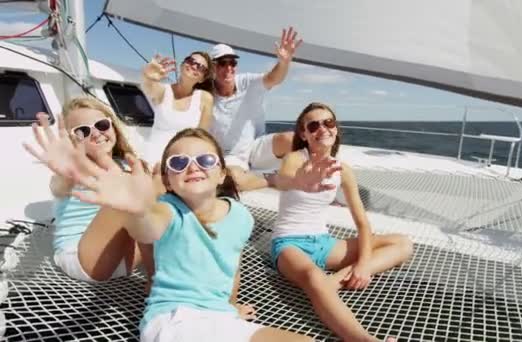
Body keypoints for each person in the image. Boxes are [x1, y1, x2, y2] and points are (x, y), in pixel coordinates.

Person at [61, 126, 347, 341]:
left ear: (222, 173)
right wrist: (134, 207)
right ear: (169, 182)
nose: (193, 166)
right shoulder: (167, 210)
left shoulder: (240, 217)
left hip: (219, 317)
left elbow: (231, 266)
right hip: (175, 321)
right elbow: (146, 227)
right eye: (178, 163)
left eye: (205, 160)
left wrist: (230, 306)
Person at [271, 103, 415, 341]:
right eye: (314, 125)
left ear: (335, 129)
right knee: (312, 276)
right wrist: (301, 180)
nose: (323, 129)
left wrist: (364, 265)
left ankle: (332, 283)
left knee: (403, 244)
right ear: (304, 134)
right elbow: (284, 180)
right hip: (289, 244)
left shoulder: (343, 170)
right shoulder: (295, 159)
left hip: (324, 244)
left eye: (328, 123)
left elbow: (362, 223)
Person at [22, 97, 153, 283]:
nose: (96, 133)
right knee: (127, 196)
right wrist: (67, 168)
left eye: (101, 125)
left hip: (125, 259)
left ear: (113, 126)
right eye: (82, 131)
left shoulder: (128, 165)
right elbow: (59, 185)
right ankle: (157, 279)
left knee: (166, 192)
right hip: (81, 259)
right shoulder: (73, 172)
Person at [209, 27, 302, 191]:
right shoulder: (206, 95)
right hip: (231, 156)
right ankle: (272, 179)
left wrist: (284, 62)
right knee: (232, 181)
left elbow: (274, 78)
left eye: (232, 62)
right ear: (212, 68)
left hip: (255, 147)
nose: (229, 67)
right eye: (222, 63)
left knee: (292, 139)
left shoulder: (247, 82)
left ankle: (311, 181)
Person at [141, 51, 214, 164]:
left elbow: (201, 137)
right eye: (191, 61)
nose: (194, 66)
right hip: (153, 157)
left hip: (183, 160)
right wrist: (148, 76)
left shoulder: (205, 98)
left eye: (201, 67)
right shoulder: (163, 91)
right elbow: (148, 86)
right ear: (182, 65)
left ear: (202, 79)